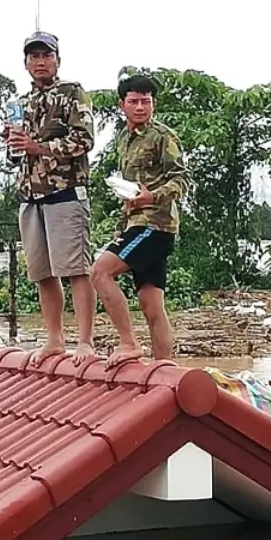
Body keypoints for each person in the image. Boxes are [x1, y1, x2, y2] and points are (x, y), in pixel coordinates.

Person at [5, 31, 97, 364]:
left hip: (65, 193)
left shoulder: (73, 94)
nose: (40, 61)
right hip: (30, 196)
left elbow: (84, 141)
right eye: (34, 56)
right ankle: (54, 339)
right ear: (26, 62)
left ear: (58, 59)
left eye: (46, 55)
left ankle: (85, 341)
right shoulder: (20, 103)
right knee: (42, 273)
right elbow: (15, 157)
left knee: (76, 270)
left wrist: (39, 147)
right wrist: (14, 143)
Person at [90, 74, 189, 368]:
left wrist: (152, 197)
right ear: (123, 105)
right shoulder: (123, 139)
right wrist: (125, 215)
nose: (140, 107)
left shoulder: (163, 136)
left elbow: (182, 179)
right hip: (135, 223)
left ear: (153, 104)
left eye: (146, 101)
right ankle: (165, 370)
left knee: (100, 272)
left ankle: (129, 344)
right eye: (134, 101)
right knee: (151, 305)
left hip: (154, 225)